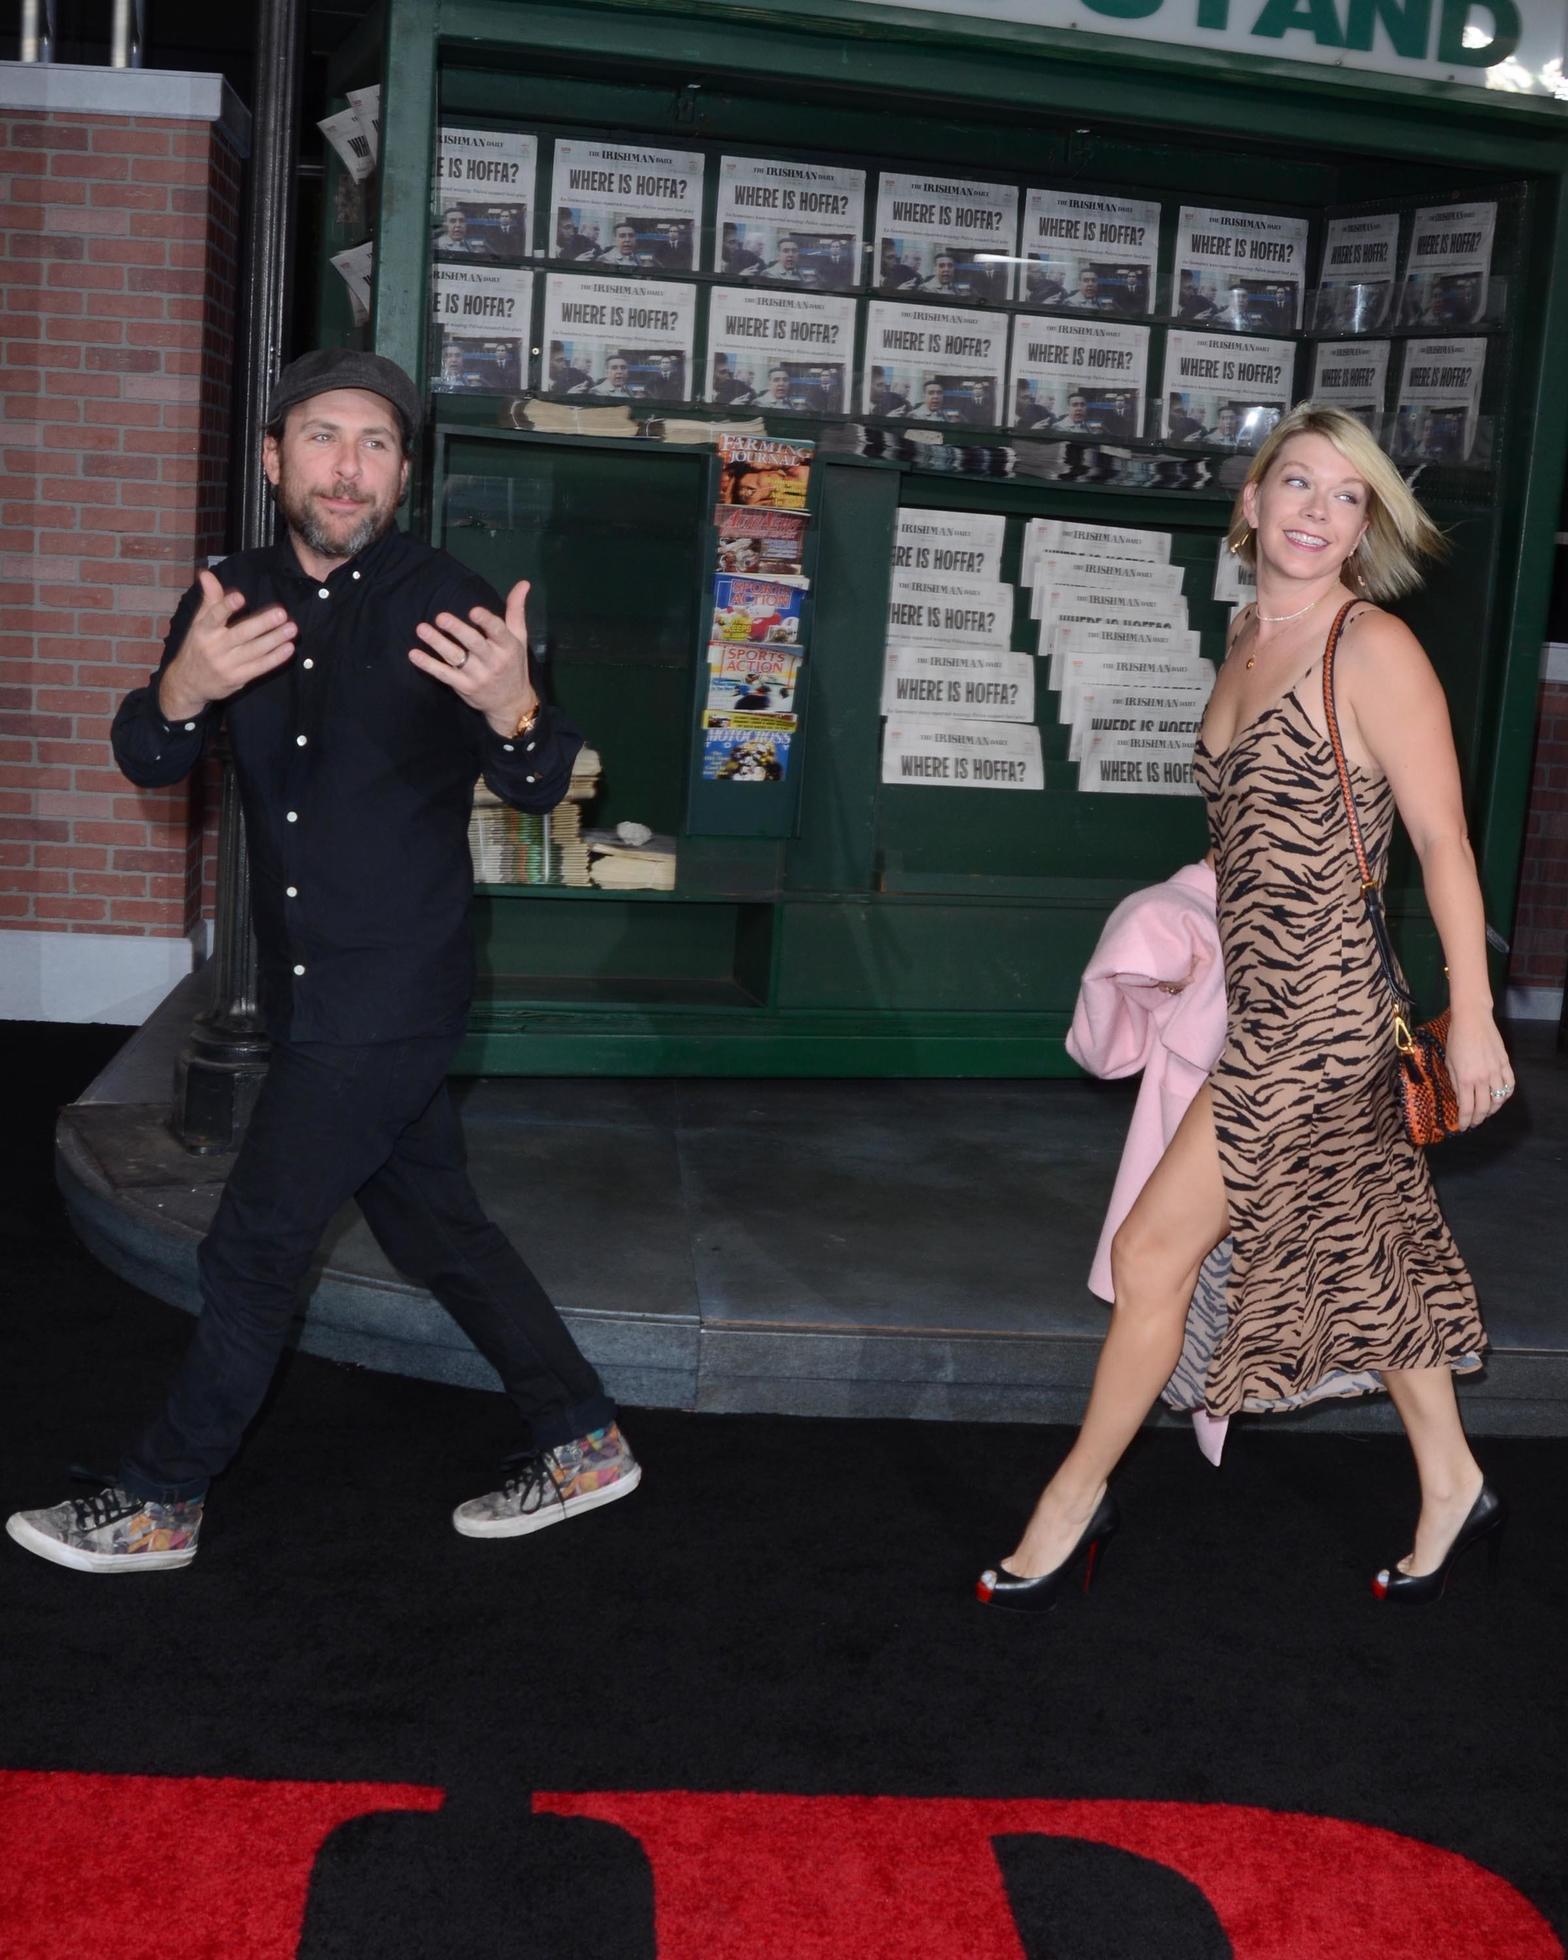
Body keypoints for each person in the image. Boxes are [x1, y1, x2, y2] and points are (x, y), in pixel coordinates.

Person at [6, 350, 640, 1575]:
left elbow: (545, 774)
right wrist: (182, 688)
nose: (348, 467)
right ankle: (583, 1436)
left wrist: (516, 711)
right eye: (322, 437)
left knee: (254, 1243)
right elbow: (148, 756)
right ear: (274, 456)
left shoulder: (445, 600)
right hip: (309, 982)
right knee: (438, 1225)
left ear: (402, 473)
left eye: (376, 445)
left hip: (393, 984)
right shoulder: (226, 598)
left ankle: (162, 1498)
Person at [977, 402, 1507, 1613]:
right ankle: (1450, 1478)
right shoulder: (1244, 637)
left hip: (1321, 1020)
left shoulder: (1366, 648)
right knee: (1367, 1249)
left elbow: (1440, 841)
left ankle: (1071, 1500)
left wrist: (1470, 1013)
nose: (1319, 512)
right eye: (1299, 485)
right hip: (1261, 1005)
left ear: (1363, 523)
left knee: (1152, 1249)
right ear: (1253, 503)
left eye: (1345, 496)